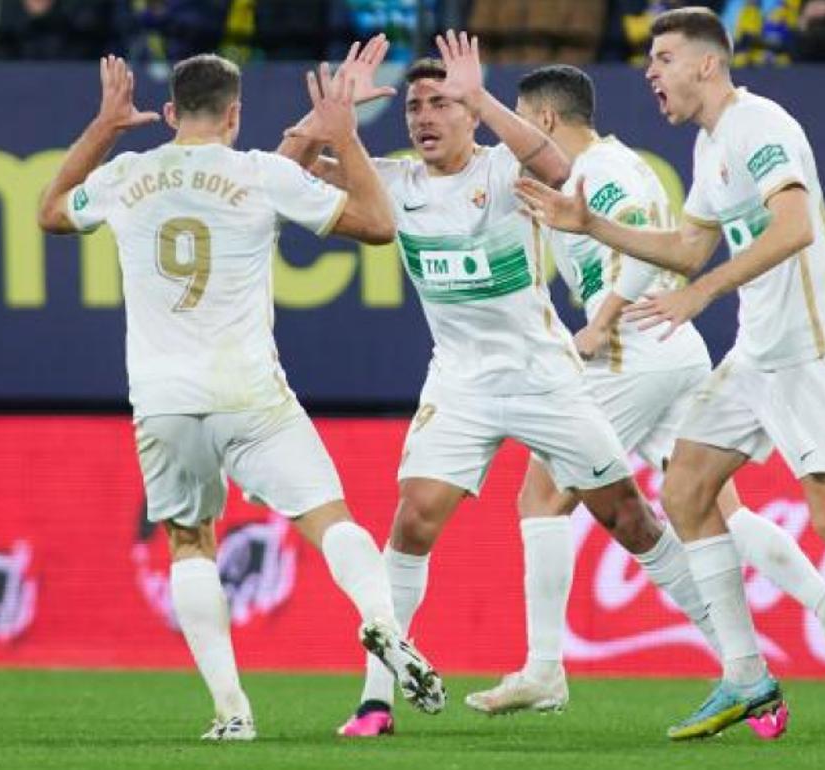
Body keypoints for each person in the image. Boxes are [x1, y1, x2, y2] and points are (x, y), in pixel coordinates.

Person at [279, 32, 769, 740]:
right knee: (413, 517)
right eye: (414, 104)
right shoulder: (391, 181)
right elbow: (278, 178)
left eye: (441, 103)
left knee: (629, 519)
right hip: (460, 383)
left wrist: (480, 95)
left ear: (469, 113)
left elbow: (561, 164)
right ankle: (375, 699)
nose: (423, 115)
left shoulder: (506, 170)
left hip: (545, 378)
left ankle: (745, 670)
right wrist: (326, 122)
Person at [515, 6, 825, 746]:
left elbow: (794, 226)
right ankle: (743, 673)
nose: (651, 73)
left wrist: (702, 295)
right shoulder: (711, 146)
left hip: (809, 347)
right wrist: (593, 227)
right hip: (759, 351)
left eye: (664, 59)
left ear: (707, 64)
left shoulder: (760, 124)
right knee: (687, 488)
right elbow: (687, 247)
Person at [35, 52, 444, 741]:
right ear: (234, 115)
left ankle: (231, 712)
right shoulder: (260, 172)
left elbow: (48, 212)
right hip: (248, 392)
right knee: (329, 517)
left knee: (190, 541)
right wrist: (341, 134)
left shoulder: (126, 177)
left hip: (163, 399)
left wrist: (105, 127)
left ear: (168, 115)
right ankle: (379, 620)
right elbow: (379, 224)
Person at [462, 63, 825, 726]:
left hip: (631, 345)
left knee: (540, 495)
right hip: (671, 351)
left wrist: (602, 316)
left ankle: (543, 669)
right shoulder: (621, 162)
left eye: (519, 119)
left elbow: (653, 254)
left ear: (543, 120)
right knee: (716, 507)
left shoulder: (600, 173)